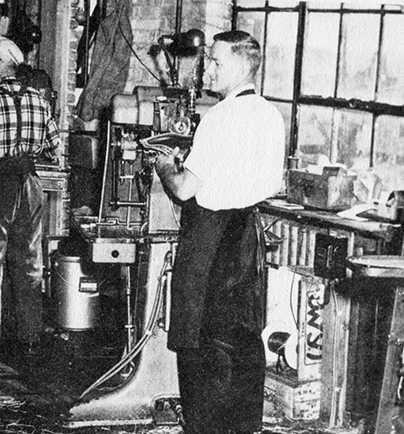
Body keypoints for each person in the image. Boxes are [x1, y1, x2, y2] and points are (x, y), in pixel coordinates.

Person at [154, 30, 285, 434]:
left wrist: (165, 167)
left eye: (215, 62)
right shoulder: (270, 115)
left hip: (210, 239)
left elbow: (185, 188)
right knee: (243, 341)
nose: (207, 68)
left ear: (242, 65)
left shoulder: (220, 117)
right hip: (247, 233)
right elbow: (271, 183)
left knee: (201, 346)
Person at [0, 35, 61, 358]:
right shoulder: (40, 102)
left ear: (0, 64)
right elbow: (53, 148)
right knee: (30, 263)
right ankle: (30, 337)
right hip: (29, 184)